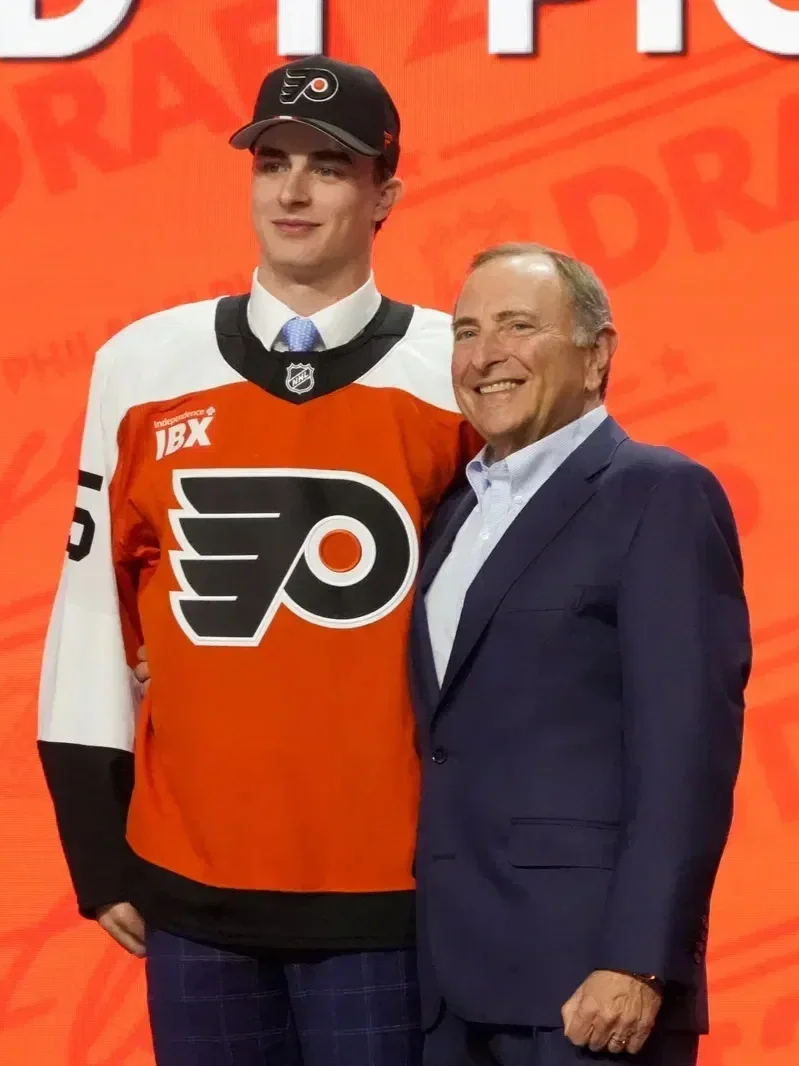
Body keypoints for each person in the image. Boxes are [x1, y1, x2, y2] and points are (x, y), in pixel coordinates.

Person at [37, 55, 478, 1066]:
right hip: (191, 892)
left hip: (391, 893)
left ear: (385, 196)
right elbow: (93, 604)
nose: (291, 190)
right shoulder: (140, 365)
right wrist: (97, 845)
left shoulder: (453, 375)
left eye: (328, 166)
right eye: (270, 161)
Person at [408, 243, 751, 1066]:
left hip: (586, 987)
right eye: (466, 330)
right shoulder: (450, 507)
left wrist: (638, 958)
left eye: (518, 326)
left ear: (595, 356)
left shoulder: (657, 494)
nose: (484, 354)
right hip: (445, 986)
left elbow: (687, 754)